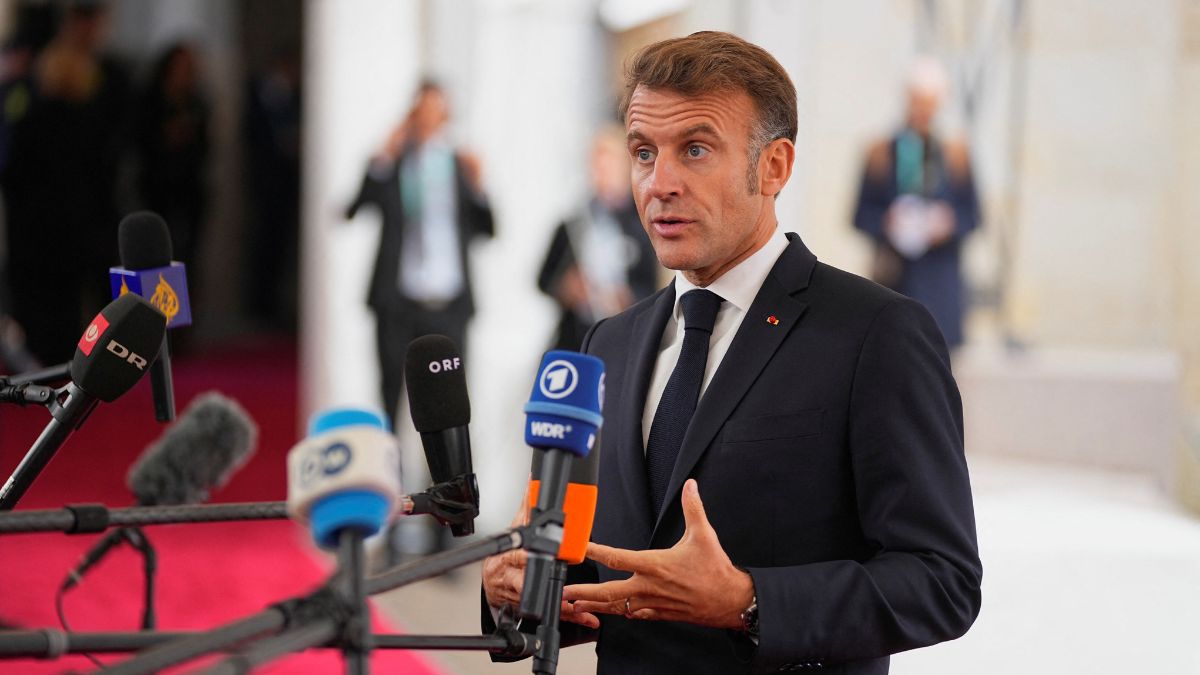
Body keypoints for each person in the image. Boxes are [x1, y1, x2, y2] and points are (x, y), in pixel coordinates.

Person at [482, 31, 981, 674]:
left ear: (773, 166)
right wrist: (520, 588)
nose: (658, 183)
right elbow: (606, 565)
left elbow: (942, 582)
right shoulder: (608, 344)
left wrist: (750, 602)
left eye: (694, 150)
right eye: (642, 152)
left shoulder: (878, 334)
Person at [345, 79, 493, 558]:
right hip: (399, 305)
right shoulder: (397, 162)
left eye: (437, 112)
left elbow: (489, 227)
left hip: (448, 306)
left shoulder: (457, 166)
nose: (429, 121)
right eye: (422, 112)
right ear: (413, 115)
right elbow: (355, 208)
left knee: (447, 420)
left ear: (446, 117)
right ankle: (386, 528)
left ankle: (445, 533)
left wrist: (481, 183)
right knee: (390, 414)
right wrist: (381, 158)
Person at [852, 56, 980, 349]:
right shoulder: (881, 153)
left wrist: (946, 225)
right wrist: (887, 223)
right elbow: (859, 215)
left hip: (940, 290)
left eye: (930, 102)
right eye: (917, 101)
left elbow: (972, 216)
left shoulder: (956, 155)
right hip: (894, 285)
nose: (923, 110)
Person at [537, 124, 659, 351]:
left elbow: (654, 287)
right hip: (576, 338)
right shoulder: (573, 224)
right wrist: (566, 287)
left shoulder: (644, 225)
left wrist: (629, 297)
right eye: (597, 167)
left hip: (625, 338)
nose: (602, 175)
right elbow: (543, 279)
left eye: (609, 167)